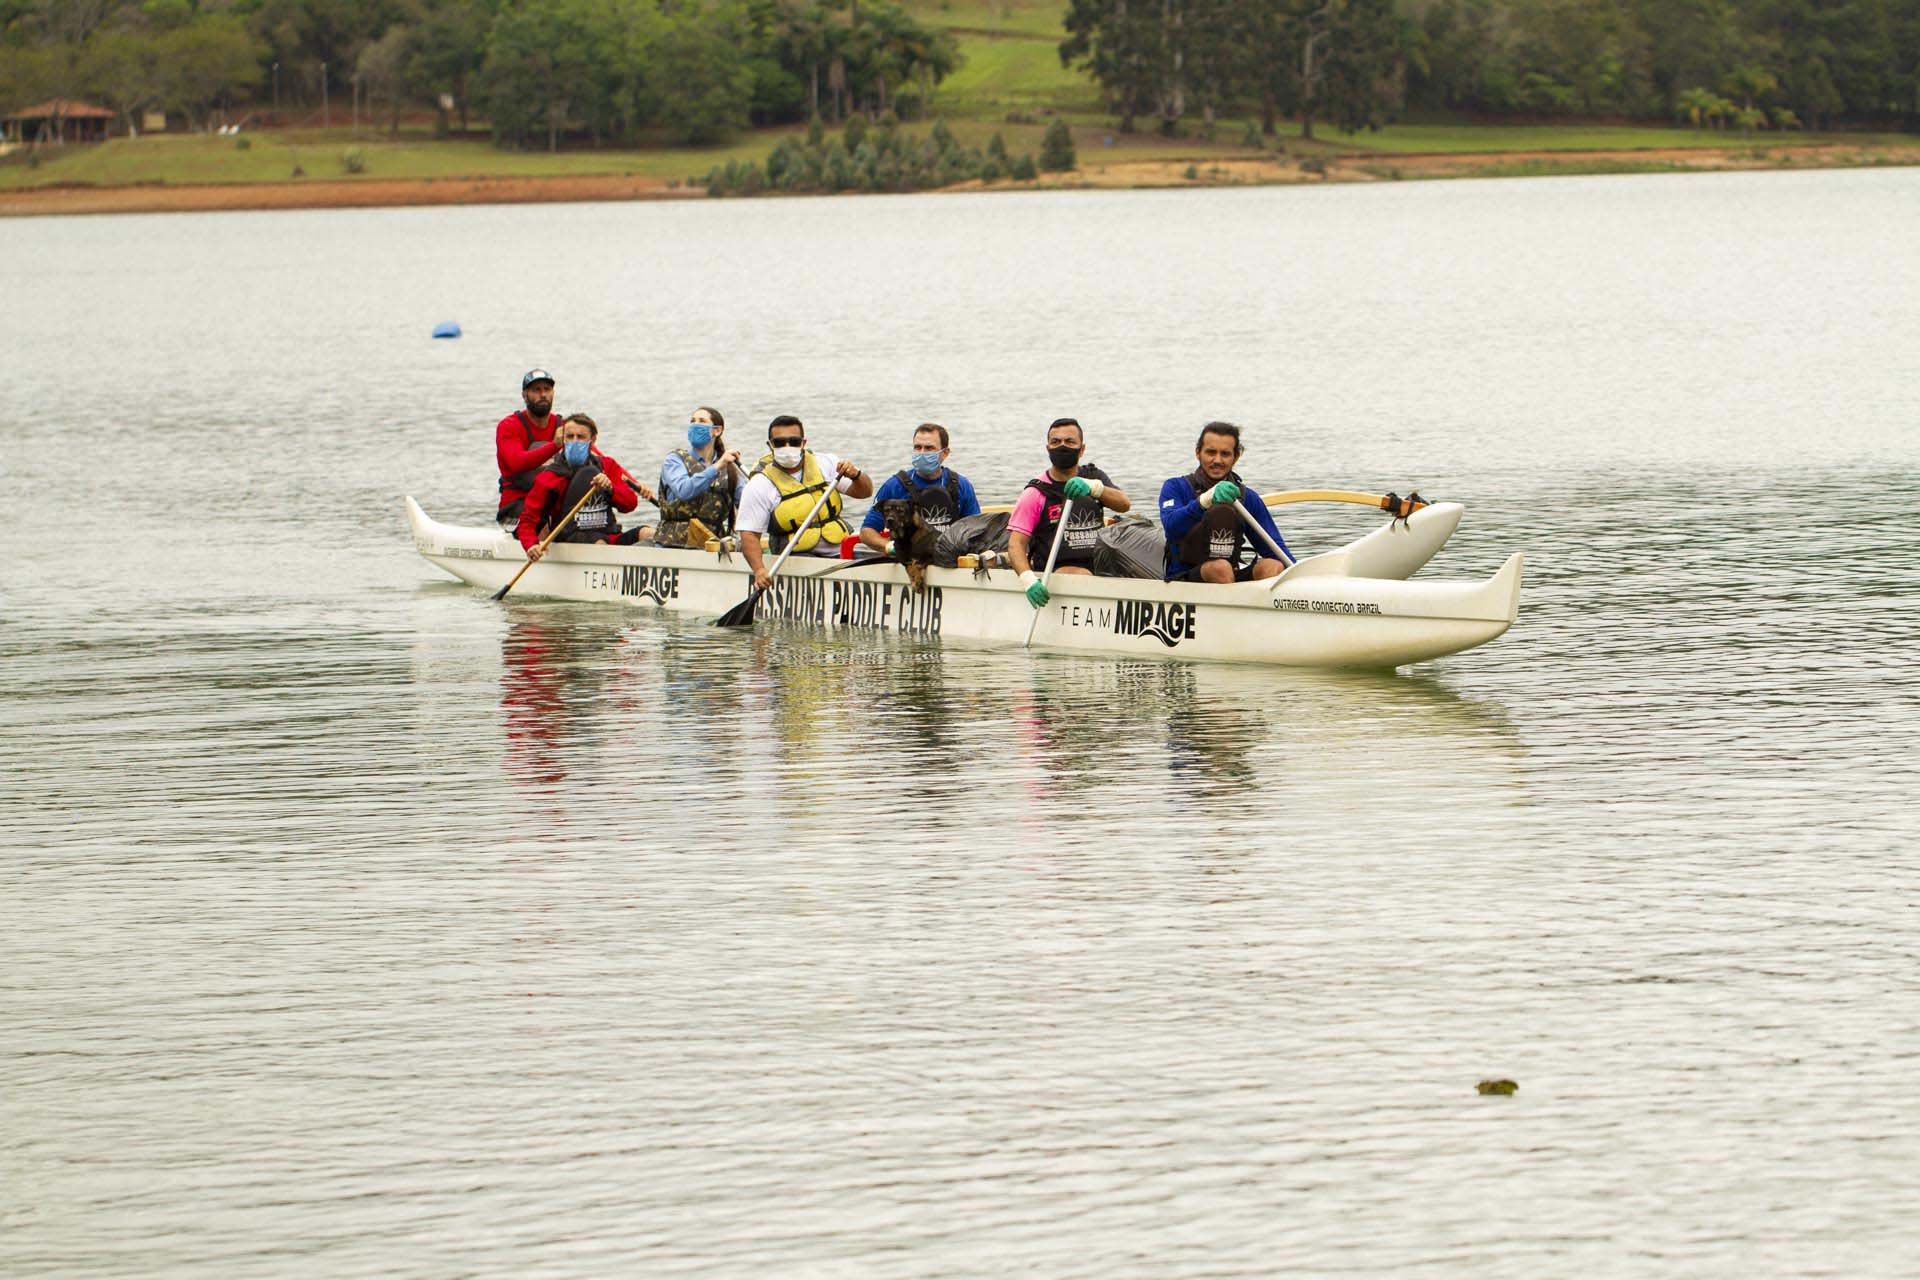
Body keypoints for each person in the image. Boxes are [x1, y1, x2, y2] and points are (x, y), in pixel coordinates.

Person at [737, 414, 874, 591]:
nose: (787, 447)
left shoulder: (826, 463)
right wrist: (759, 570)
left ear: (803, 443)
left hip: (839, 550)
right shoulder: (760, 484)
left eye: (794, 441)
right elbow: (749, 534)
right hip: (796, 556)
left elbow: (864, 493)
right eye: (780, 443)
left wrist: (856, 475)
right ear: (770, 445)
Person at [1007, 417, 1130, 609]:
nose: (1062, 446)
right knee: (1078, 574)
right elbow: (1016, 544)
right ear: (1048, 448)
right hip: (1056, 570)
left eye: (1070, 441)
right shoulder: (1035, 493)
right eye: (1056, 442)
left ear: (1081, 449)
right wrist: (1028, 580)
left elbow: (1124, 504)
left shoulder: (1094, 477)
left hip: (1099, 565)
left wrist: (1094, 488)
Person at [1158, 421, 1295, 583]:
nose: (1217, 460)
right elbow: (1171, 526)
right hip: (1184, 579)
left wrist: (1300, 573)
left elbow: (1276, 550)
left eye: (1225, 454)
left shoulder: (1247, 497)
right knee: (1220, 568)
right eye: (1210, 452)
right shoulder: (1175, 487)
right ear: (1198, 453)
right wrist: (1204, 501)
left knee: (1273, 566)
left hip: (1230, 577)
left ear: (1235, 457)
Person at [516, 414, 655, 558]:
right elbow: (527, 520)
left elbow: (630, 505)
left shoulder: (607, 465)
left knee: (650, 533)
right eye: (570, 436)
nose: (574, 441)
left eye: (580, 437)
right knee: (599, 542)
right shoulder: (550, 477)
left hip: (609, 535)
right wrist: (530, 545)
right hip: (571, 541)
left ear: (592, 440)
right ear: (563, 439)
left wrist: (610, 488)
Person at [857, 422, 982, 555]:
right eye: (918, 447)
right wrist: (890, 547)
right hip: (908, 560)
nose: (922, 453)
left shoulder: (961, 485)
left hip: (950, 557)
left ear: (944, 453)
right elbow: (866, 532)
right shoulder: (894, 486)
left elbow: (976, 530)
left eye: (929, 448)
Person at [656, 406, 744, 547]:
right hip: (673, 544)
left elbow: (746, 503)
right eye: (692, 421)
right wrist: (717, 466)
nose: (695, 425)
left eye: (702, 421)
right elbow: (684, 491)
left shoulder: (730, 469)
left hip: (713, 545)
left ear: (717, 431)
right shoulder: (674, 460)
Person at [496, 369, 561, 528]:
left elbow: (596, 457)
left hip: (551, 502)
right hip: (516, 504)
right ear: (524, 395)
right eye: (536, 390)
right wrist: (555, 446)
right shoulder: (509, 426)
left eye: (547, 389)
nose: (543, 394)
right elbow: (516, 462)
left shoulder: (564, 426)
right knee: (540, 518)